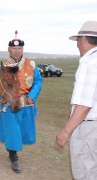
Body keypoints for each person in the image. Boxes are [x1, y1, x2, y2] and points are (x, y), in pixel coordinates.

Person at [0, 30, 43, 173]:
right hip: (10, 104)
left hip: (26, 103)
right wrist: (0, 98)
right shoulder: (3, 67)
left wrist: (32, 96)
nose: (17, 51)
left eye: (19, 48)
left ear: (23, 49)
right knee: (13, 131)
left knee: (23, 131)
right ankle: (13, 156)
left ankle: (13, 151)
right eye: (14, 48)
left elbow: (38, 82)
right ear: (9, 49)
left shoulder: (31, 65)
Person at [56, 21, 97, 179]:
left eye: (78, 41)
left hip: (88, 128)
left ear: (85, 39)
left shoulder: (89, 63)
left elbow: (84, 105)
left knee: (85, 172)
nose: (77, 45)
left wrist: (66, 131)